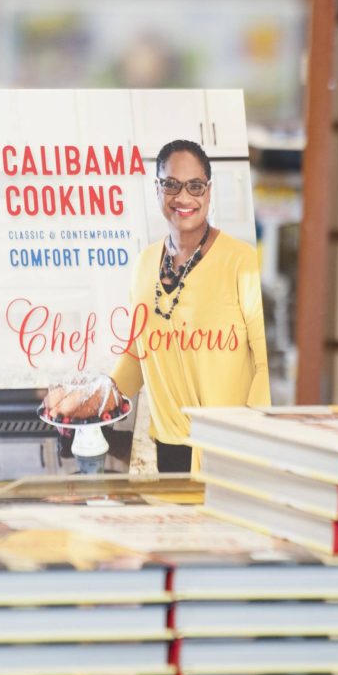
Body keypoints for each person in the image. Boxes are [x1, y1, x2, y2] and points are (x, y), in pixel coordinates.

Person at [111, 139, 270, 472]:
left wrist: (255, 441)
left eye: (194, 186)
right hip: (169, 447)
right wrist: (99, 399)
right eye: (171, 185)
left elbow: (263, 363)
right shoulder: (143, 265)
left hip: (226, 446)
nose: (183, 198)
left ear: (208, 192)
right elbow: (139, 356)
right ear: (157, 189)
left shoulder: (241, 262)